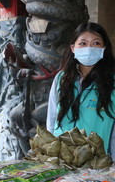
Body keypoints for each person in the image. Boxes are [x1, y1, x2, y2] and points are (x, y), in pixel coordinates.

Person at [47, 22, 115, 157]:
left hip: (98, 160)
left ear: (104, 48)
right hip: (63, 157)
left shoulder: (112, 80)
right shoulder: (62, 78)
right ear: (73, 48)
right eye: (83, 43)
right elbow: (52, 117)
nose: (89, 48)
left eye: (96, 43)